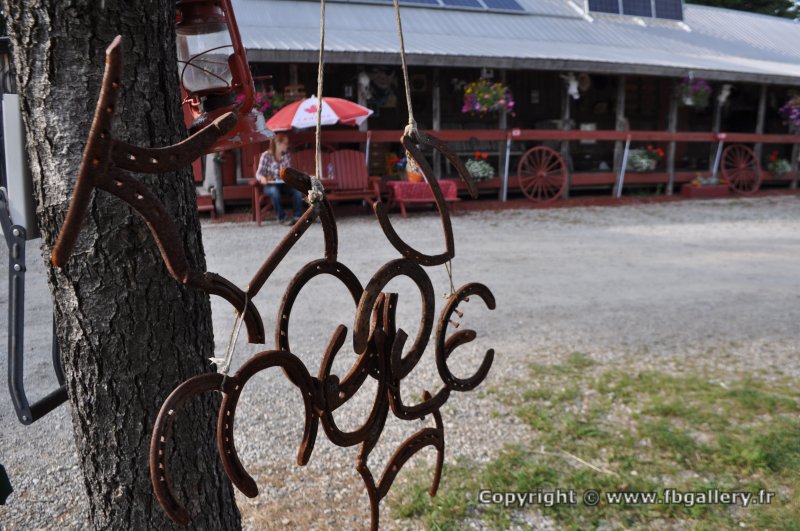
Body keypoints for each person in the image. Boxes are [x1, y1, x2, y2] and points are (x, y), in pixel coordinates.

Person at [256, 134, 305, 225]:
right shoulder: (266, 156)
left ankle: (298, 217)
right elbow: (259, 174)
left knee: (297, 191)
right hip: (270, 185)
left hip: (284, 185)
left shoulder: (286, 156)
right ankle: (282, 218)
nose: (287, 146)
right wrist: (262, 178)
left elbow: (289, 172)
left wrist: (291, 177)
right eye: (285, 143)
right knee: (274, 191)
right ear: (278, 143)